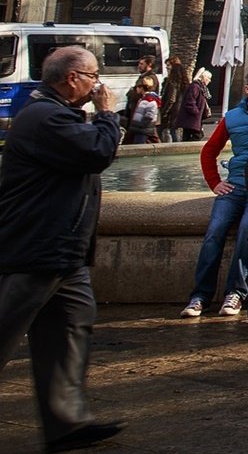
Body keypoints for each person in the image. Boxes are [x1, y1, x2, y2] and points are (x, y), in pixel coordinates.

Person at [0, 45, 124, 453]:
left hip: (61, 250)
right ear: (72, 79)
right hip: (39, 246)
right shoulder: (46, 117)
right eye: (92, 75)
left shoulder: (52, 113)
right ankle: (65, 418)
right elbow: (97, 152)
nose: (97, 83)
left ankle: (66, 421)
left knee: (70, 325)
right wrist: (108, 114)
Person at [180, 65, 248, 318]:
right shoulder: (232, 117)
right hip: (235, 184)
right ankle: (199, 296)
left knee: (247, 231)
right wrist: (215, 182)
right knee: (214, 232)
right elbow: (209, 151)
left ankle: (235, 293)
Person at [174, 68, 212, 142]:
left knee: (191, 137)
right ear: (204, 77)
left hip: (195, 121)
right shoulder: (195, 87)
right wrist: (196, 113)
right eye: (209, 78)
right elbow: (190, 102)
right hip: (192, 120)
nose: (209, 81)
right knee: (194, 137)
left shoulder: (201, 88)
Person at [123, 75, 161, 145]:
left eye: (137, 87)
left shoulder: (150, 100)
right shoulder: (143, 99)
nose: (136, 89)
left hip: (143, 130)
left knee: (139, 146)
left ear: (142, 88)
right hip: (140, 129)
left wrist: (140, 125)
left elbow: (149, 116)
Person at [160, 56, 188, 143]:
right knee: (174, 132)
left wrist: (164, 112)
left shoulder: (172, 83)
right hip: (179, 112)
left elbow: (171, 99)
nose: (167, 68)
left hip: (172, 113)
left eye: (168, 65)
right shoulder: (184, 83)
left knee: (169, 132)